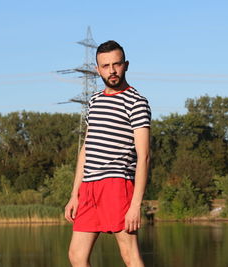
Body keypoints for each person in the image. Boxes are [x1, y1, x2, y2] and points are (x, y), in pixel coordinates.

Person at [65, 40, 151, 267]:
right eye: (105, 66)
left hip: (117, 184)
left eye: (117, 64)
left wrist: (135, 205)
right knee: (76, 255)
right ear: (97, 69)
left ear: (126, 65)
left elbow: (144, 157)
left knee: (130, 256)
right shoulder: (94, 101)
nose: (111, 71)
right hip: (89, 188)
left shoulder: (137, 102)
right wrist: (75, 194)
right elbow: (86, 148)